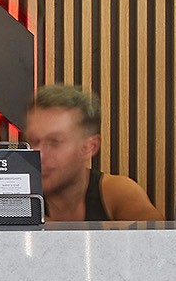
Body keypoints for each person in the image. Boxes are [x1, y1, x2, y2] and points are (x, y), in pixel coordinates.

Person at [23, 84, 163, 222]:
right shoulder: (13, 196)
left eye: (54, 142)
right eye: (33, 141)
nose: (38, 154)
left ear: (89, 147)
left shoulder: (115, 192)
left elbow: (157, 235)